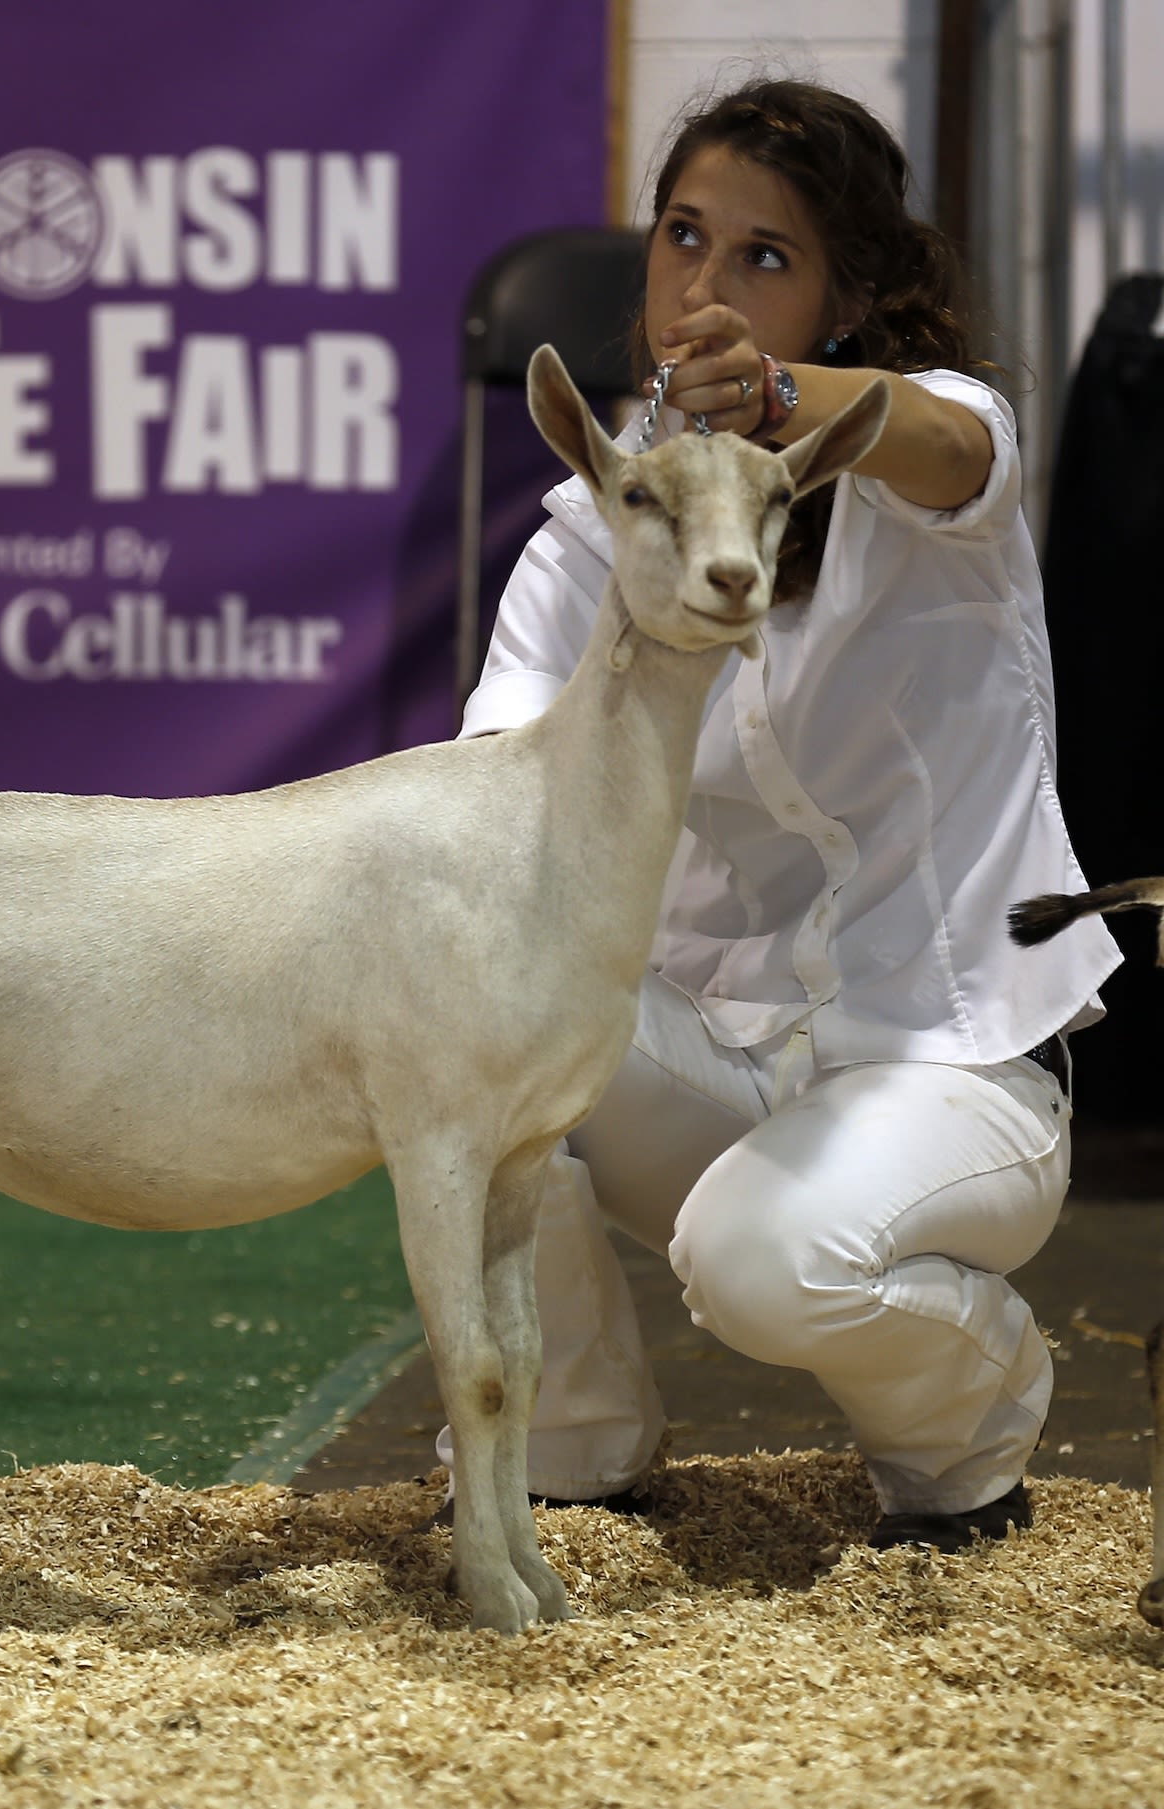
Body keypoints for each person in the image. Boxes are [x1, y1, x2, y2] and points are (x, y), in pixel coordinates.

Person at [450, 78, 1119, 1549]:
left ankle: (976, 1429)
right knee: (471, 1046)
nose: (705, 285)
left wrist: (765, 405)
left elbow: (943, 443)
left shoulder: (941, 471)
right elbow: (491, 819)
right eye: (685, 237)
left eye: (764, 256)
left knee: (764, 1261)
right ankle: (571, 1454)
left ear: (849, 298)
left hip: (951, 1073)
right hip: (704, 1062)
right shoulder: (583, 542)